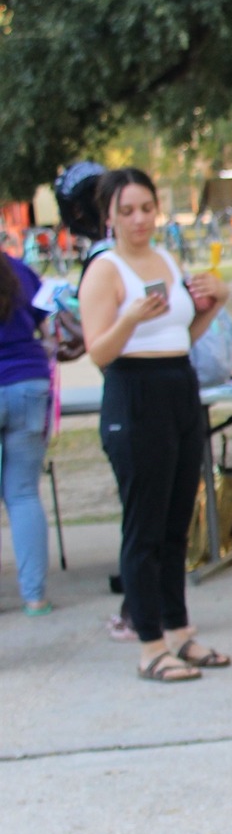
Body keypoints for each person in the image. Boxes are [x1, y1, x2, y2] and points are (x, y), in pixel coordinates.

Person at [78, 168, 232, 681]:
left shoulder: (166, 258)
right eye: (127, 211)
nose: (139, 219)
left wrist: (217, 302)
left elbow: (182, 335)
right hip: (133, 393)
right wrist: (131, 317)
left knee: (176, 521)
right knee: (144, 526)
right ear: (109, 216)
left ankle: (179, 631)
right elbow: (98, 351)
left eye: (146, 208)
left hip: (178, 385)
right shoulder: (104, 269)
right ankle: (149, 644)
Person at [0, 248, 54, 616]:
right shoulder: (19, 269)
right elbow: (49, 329)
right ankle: (35, 597)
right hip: (28, 382)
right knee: (23, 495)